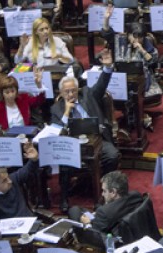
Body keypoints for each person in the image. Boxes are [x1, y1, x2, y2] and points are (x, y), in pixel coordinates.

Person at [51, 50, 120, 209]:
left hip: (97, 140)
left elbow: (102, 84)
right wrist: (67, 112)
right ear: (61, 93)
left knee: (113, 155)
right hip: (71, 146)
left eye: (73, 90)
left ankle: (104, 187)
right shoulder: (56, 108)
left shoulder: (88, 94)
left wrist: (107, 67)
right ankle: (64, 199)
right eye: (67, 92)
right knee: (64, 162)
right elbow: (57, 131)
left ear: (78, 89)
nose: (71, 94)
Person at [101, 7, 160, 97]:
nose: (137, 40)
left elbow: (152, 60)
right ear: (128, 35)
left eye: (140, 37)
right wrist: (106, 19)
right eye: (134, 36)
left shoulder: (146, 43)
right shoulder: (119, 40)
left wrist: (142, 50)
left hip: (141, 79)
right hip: (120, 77)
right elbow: (107, 33)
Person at [0, 143, 39, 222]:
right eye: (4, 180)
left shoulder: (12, 179)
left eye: (8, 177)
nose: (10, 181)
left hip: (30, 222)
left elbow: (27, 170)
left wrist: (34, 159)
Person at [69, 171, 144, 235]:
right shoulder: (136, 195)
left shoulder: (104, 212)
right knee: (82, 209)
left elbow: (95, 235)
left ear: (113, 192)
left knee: (74, 210)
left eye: (104, 191)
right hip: (123, 227)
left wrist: (87, 223)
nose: (102, 194)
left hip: (109, 238)